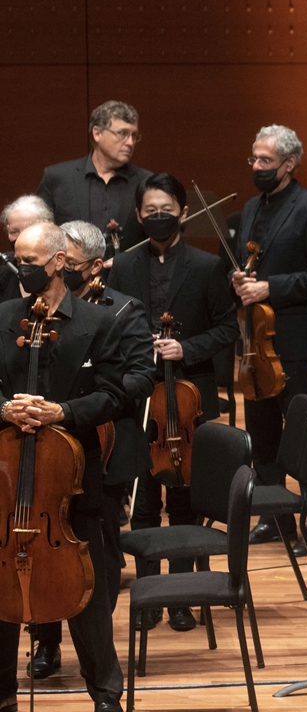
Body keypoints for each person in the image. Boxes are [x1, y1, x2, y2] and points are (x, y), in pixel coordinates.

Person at [0, 223, 126, 712]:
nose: (20, 268)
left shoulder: (97, 323)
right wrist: (5, 409)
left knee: (88, 595)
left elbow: (114, 394)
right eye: (16, 259)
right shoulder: (3, 318)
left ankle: (106, 695)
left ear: (57, 262)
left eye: (29, 260)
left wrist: (62, 412)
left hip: (71, 482)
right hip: (9, 482)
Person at [27, 220, 157, 679]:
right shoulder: (35, 312)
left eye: (73, 261)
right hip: (45, 443)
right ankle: (45, 643)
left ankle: (97, 659)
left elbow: (141, 376)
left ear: (94, 266)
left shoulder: (122, 311)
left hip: (106, 442)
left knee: (92, 556)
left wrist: (94, 395)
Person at [108, 173, 240, 624]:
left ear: (183, 213)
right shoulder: (124, 266)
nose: (157, 217)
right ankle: (148, 596)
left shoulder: (206, 266)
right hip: (141, 394)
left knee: (183, 500)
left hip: (190, 400)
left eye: (166, 210)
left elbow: (228, 329)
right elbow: (112, 324)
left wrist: (187, 348)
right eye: (149, 212)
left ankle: (182, 597)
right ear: (140, 216)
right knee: (144, 502)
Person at [237, 125, 307, 555]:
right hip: (254, 343)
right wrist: (239, 279)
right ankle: (274, 518)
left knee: (306, 433)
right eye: (255, 160)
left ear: (289, 163)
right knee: (261, 435)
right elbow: (250, 262)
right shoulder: (249, 207)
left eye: (265, 161)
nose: (258, 168)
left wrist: (270, 288)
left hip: (294, 343)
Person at [36, 101, 153, 253]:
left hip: (127, 274)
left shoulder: (146, 182)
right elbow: (38, 231)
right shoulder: (58, 177)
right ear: (97, 133)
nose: (130, 142)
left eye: (134, 135)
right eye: (122, 134)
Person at [0, 195, 55, 301]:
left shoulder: (63, 268)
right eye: (14, 232)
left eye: (29, 229)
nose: (21, 237)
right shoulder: (3, 270)